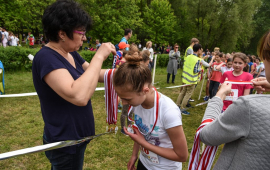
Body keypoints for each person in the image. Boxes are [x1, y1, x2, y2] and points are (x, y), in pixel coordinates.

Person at [32, 1, 116, 169]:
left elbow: (95, 73)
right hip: (65, 143)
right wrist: (98, 56)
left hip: (76, 139)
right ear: (62, 33)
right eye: (81, 32)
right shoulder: (46, 58)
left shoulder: (71, 54)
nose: (84, 37)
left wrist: (128, 72)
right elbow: (79, 96)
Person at [189, 30, 270, 170]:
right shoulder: (227, 74)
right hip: (227, 110)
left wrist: (219, 96)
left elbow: (206, 135)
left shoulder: (248, 106)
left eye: (264, 57)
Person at [112, 51, 188, 170]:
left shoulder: (169, 112)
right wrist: (134, 155)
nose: (123, 103)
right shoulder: (137, 102)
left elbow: (182, 156)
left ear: (145, 90)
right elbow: (142, 133)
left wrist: (144, 144)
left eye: (127, 99)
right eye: (121, 97)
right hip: (144, 163)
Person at [176, 44, 214, 115]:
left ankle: (177, 105)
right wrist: (212, 59)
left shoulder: (188, 56)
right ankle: (182, 108)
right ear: (199, 49)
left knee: (182, 92)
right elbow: (207, 65)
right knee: (188, 94)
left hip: (185, 78)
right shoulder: (198, 60)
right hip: (191, 80)